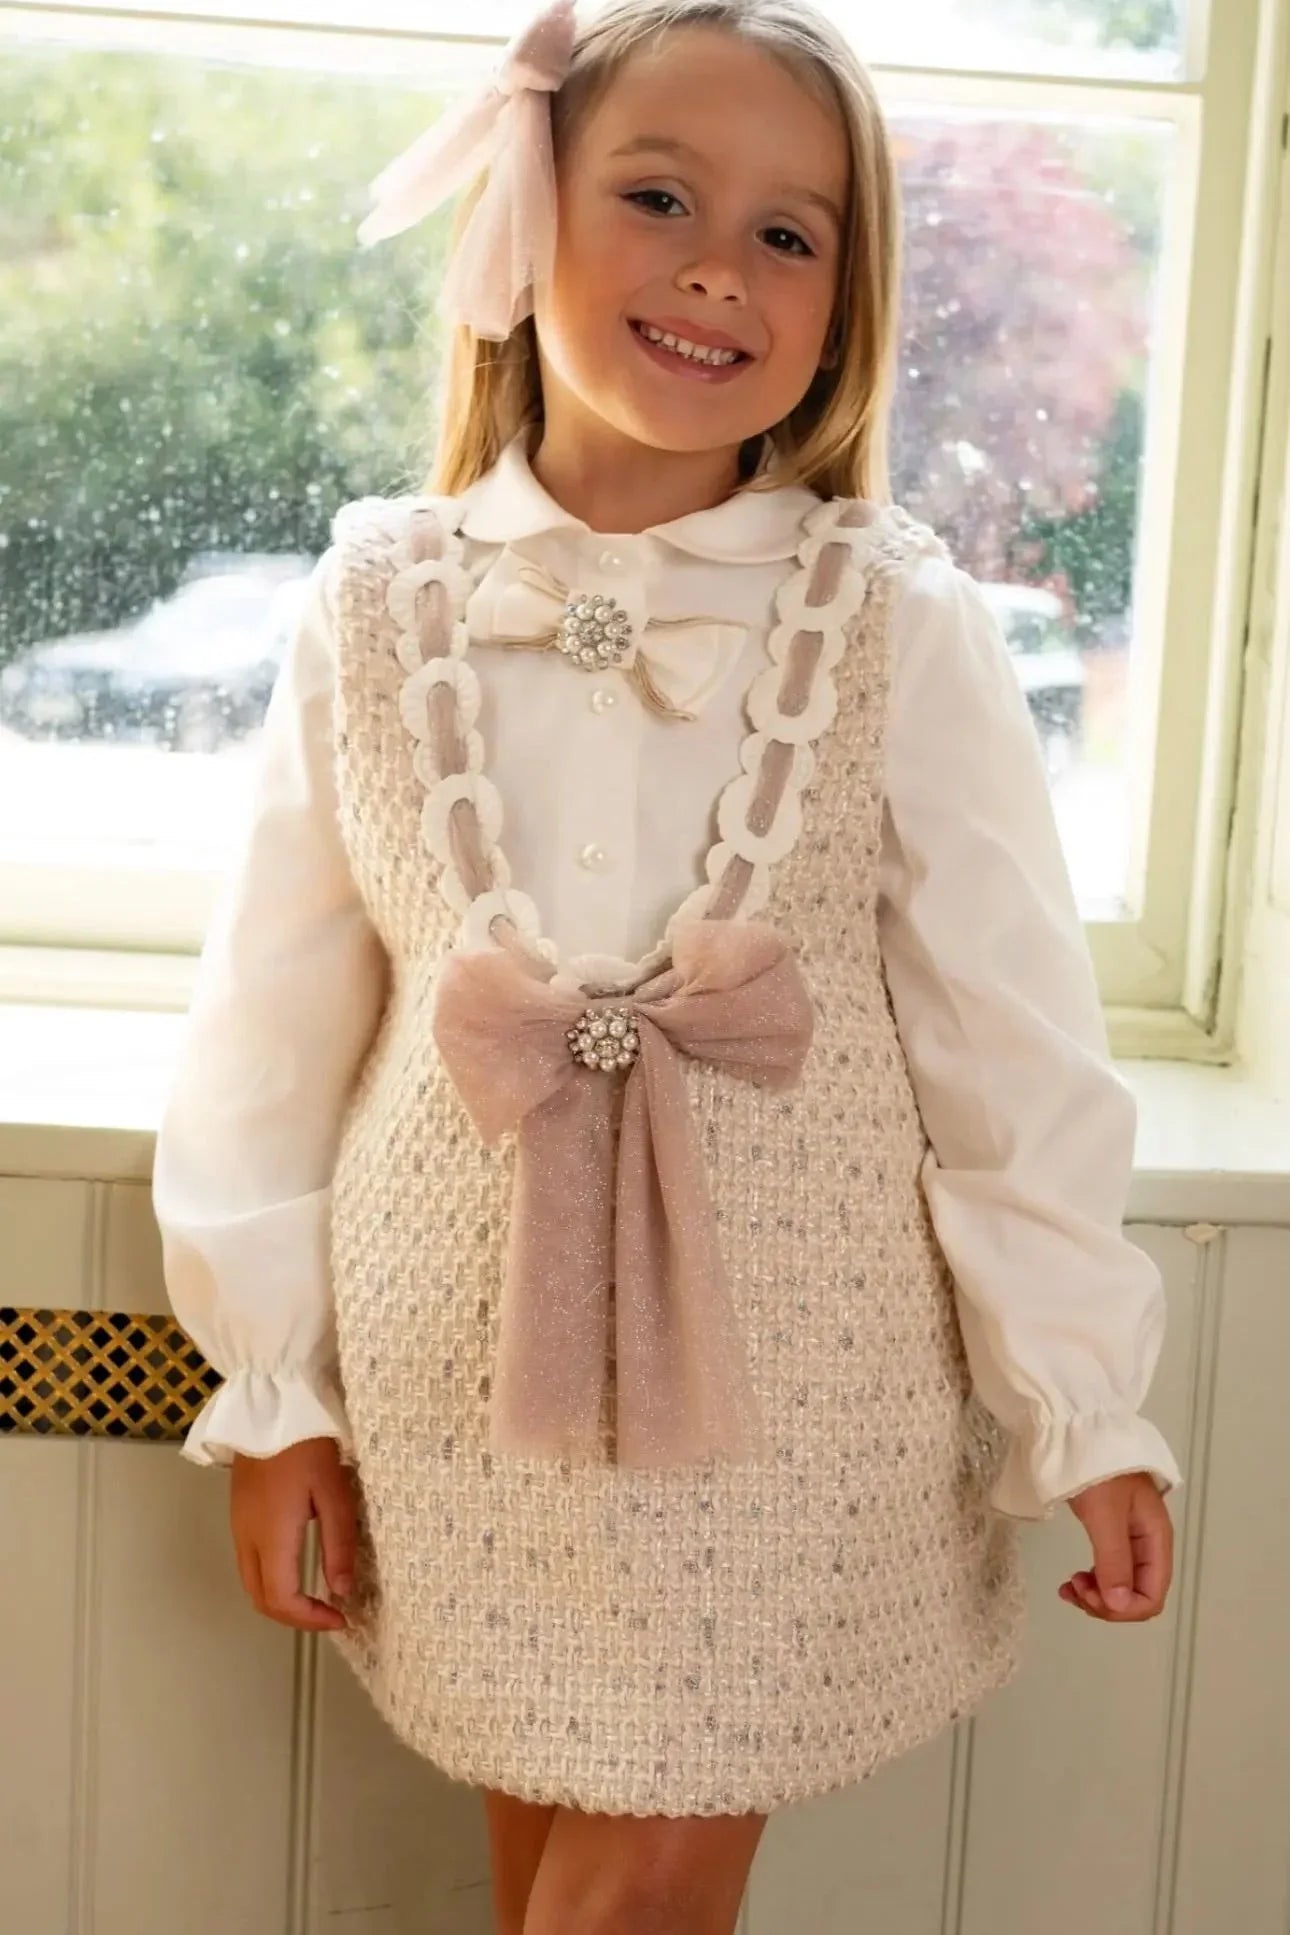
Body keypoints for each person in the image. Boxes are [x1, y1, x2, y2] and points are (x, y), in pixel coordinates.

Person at [151, 0, 1185, 1927]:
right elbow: (270, 1031)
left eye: (792, 235)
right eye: (657, 196)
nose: (721, 264)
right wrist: (276, 1390)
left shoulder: (892, 619)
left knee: (627, 1899)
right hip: (463, 1404)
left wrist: (1080, 1400)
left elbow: (1009, 1045)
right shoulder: (375, 602)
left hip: (798, 1410)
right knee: (548, 1865)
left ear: (842, 298)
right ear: (522, 215)